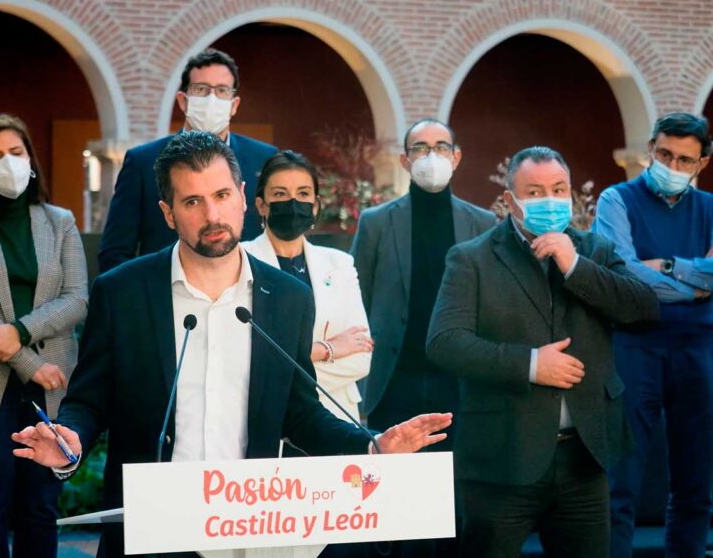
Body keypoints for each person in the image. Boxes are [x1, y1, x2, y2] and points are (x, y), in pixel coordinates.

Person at [12, 131, 452, 558]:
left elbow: (299, 412)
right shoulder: (121, 292)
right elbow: (89, 401)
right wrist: (69, 442)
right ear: (168, 214)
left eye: (222, 196)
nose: (212, 215)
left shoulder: (287, 298)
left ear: (243, 196)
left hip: (245, 527)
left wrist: (370, 446)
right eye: (192, 201)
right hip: (154, 528)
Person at [426, 146, 659, 557]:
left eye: (558, 189)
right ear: (510, 201)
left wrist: (575, 266)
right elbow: (445, 343)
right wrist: (531, 364)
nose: (549, 200)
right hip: (502, 458)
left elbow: (642, 309)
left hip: (584, 457)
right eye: (534, 192)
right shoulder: (472, 259)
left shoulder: (594, 250)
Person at [0, 114, 88, 558]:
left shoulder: (60, 221)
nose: (8, 162)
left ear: (31, 159)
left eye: (16, 152)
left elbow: (77, 297)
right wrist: (29, 362)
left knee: (40, 507)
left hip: (51, 385)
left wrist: (22, 330)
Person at [350, 118, 494, 557]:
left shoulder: (483, 222)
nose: (430, 155)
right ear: (404, 159)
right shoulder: (376, 222)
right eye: (420, 147)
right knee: (396, 505)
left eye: (440, 146)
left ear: (456, 156)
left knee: (455, 503)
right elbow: (359, 295)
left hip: (460, 383)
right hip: (395, 381)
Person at [592, 112, 713, 558]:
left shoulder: (711, 209)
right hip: (633, 345)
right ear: (650, 149)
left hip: (699, 349)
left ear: (700, 164)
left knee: (696, 480)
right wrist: (696, 279)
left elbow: (650, 273)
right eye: (664, 154)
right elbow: (623, 273)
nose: (672, 165)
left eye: (685, 159)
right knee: (619, 481)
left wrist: (664, 265)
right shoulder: (615, 200)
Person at [98, 47, 277, 272]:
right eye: (201, 89)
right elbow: (115, 251)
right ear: (183, 101)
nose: (212, 98)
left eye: (222, 90)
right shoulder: (142, 162)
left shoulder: (264, 159)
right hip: (165, 294)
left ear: (234, 105)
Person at [242, 150, 371, 421]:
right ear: (261, 205)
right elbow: (243, 359)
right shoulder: (239, 262)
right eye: (279, 194)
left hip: (335, 416)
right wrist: (327, 349)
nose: (293, 202)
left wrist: (282, 370)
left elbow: (361, 357)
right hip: (264, 419)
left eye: (303, 194)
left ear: (315, 205)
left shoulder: (340, 265)